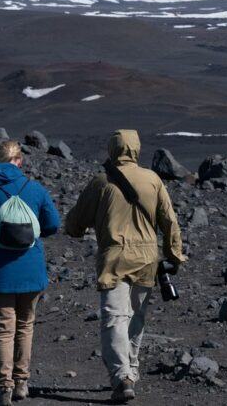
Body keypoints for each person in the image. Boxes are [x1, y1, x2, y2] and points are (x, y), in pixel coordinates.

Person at [64, 129, 187, 403]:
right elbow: (169, 220)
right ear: (136, 149)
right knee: (136, 318)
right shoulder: (153, 180)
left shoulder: (101, 182)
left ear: (112, 150)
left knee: (114, 319)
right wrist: (174, 255)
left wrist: (75, 228)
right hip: (147, 259)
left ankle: (121, 378)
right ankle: (131, 372)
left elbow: (75, 223)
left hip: (115, 258)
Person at [0, 140, 61, 405]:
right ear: (19, 161)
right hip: (31, 271)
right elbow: (53, 224)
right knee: (25, 326)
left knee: (3, 330)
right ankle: (21, 383)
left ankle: (3, 388)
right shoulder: (35, 189)